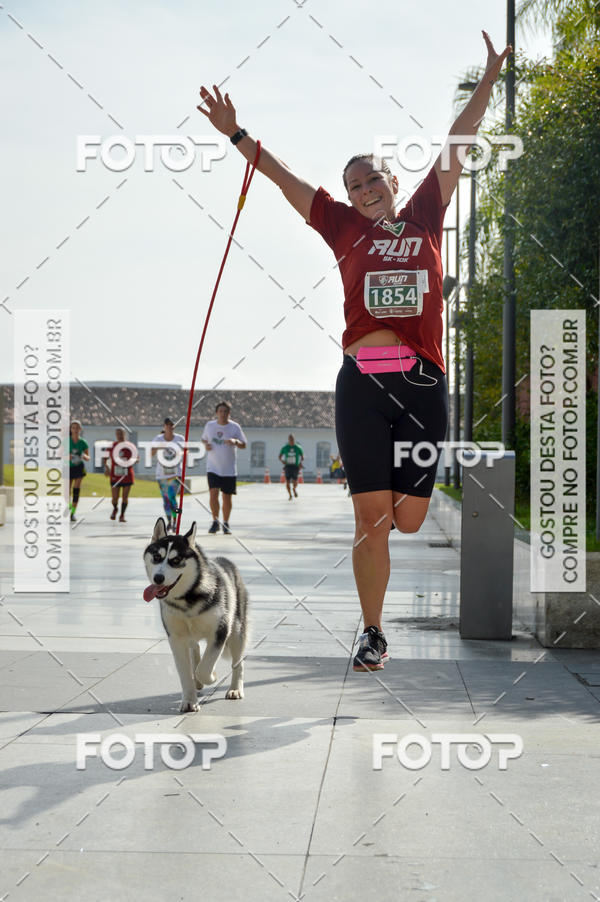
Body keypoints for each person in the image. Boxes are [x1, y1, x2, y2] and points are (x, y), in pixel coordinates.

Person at [197, 32, 511, 671]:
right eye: (355, 184)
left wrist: (488, 81)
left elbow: (457, 143)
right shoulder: (341, 226)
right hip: (363, 385)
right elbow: (283, 178)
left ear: (392, 182)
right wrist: (236, 135)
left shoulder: (425, 214)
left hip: (422, 388)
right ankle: (373, 631)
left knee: (411, 520)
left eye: (373, 179)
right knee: (371, 518)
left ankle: (387, 548)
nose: (365, 189)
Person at [201, 401, 247, 534]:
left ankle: (226, 523)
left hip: (229, 469)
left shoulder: (234, 427)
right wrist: (206, 445)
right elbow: (204, 439)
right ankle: (215, 521)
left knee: (227, 497)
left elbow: (244, 444)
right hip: (213, 467)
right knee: (213, 493)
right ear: (216, 413)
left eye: (225, 411)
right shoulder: (210, 426)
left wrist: (235, 442)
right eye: (220, 411)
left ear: (229, 413)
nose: (223, 414)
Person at [151, 417, 185, 533]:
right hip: (162, 474)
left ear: (174, 426)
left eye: (171, 425)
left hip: (175, 473)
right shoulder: (158, 438)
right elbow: (150, 453)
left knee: (172, 497)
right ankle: (169, 521)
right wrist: (158, 447)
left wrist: (180, 452)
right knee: (166, 500)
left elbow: (187, 450)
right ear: (164, 427)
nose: (169, 427)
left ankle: (175, 521)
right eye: (167, 425)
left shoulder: (179, 438)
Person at [104, 427, 137, 522]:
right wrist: (107, 467)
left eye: (121, 434)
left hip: (127, 475)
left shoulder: (130, 446)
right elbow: (105, 458)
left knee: (125, 497)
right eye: (118, 434)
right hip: (115, 474)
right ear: (115, 435)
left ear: (125, 434)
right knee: (115, 498)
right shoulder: (112, 446)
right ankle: (115, 508)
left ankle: (122, 515)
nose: (120, 436)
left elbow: (136, 458)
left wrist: (131, 462)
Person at [69, 420, 89, 522]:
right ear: (70, 429)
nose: (75, 430)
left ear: (80, 429)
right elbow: (60, 454)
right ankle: (68, 507)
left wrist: (83, 455)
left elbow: (88, 457)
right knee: (66, 492)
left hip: (78, 467)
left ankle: (72, 513)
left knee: (76, 490)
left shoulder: (83, 443)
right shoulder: (66, 441)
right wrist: (69, 456)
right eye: (73, 427)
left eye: (77, 428)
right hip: (68, 467)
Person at [279, 434, 304, 500]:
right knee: (287, 481)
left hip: (295, 466)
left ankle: (294, 489)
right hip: (288, 466)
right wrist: (282, 461)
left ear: (294, 439)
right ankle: (290, 495)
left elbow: (302, 456)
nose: (291, 441)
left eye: (292, 439)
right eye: (290, 439)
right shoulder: (285, 447)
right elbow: (280, 456)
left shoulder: (298, 447)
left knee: (295, 481)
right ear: (288, 440)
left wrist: (300, 463)